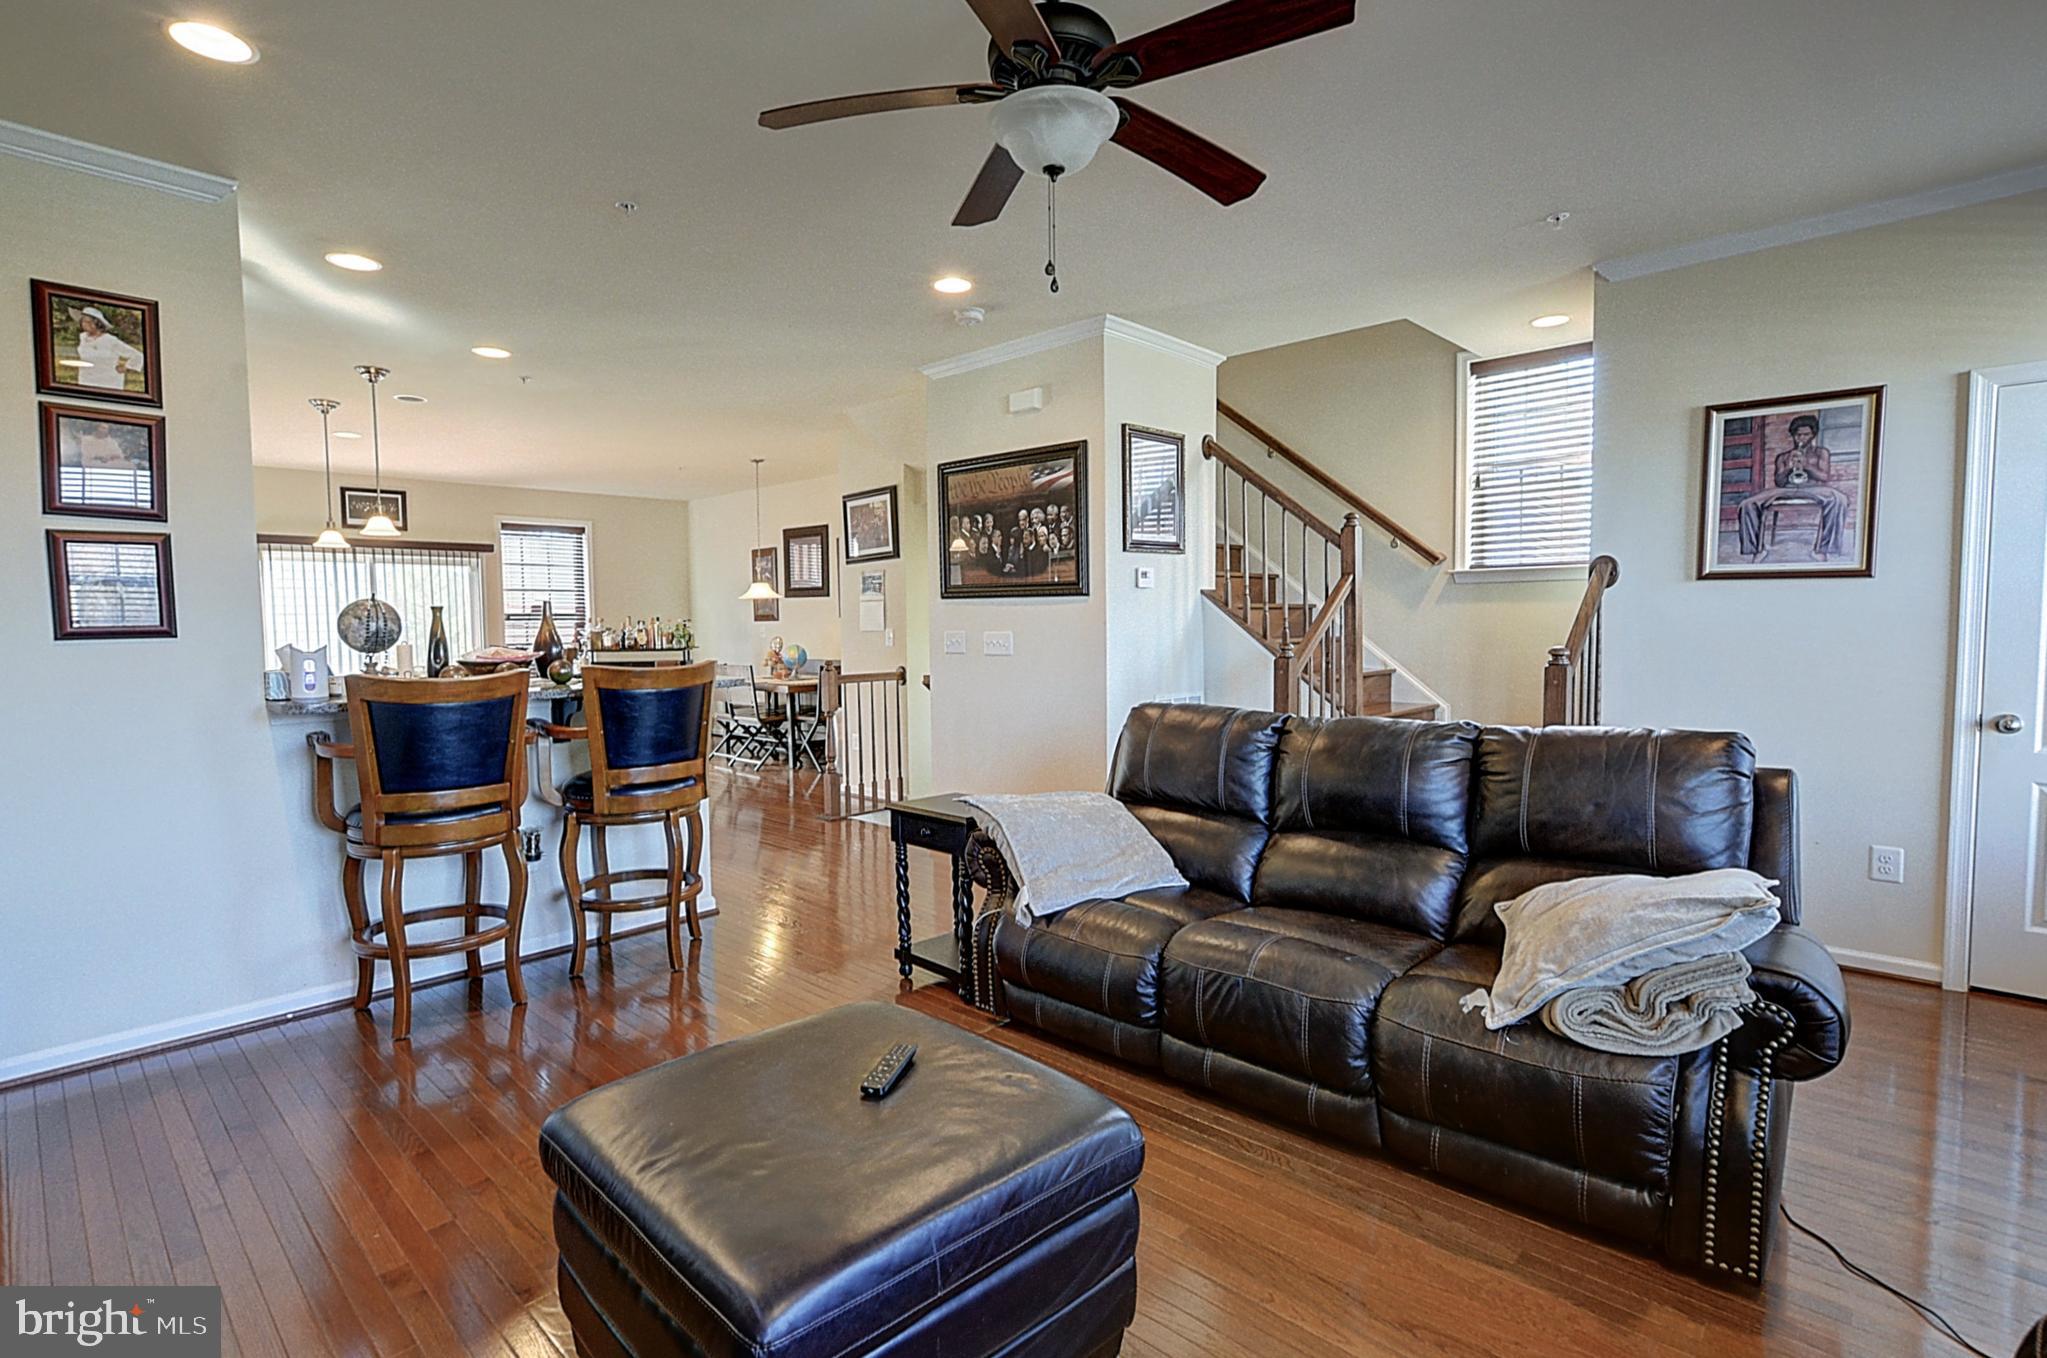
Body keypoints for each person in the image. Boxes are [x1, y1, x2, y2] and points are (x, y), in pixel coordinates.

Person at [1736, 415, 1850, 559]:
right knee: (1747, 504)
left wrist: (1806, 465)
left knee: (1840, 499)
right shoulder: (1783, 457)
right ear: (1793, 435)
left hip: (1813, 488)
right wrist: (1788, 468)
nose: (1801, 438)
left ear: (1813, 435)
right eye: (1798, 434)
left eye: (1806, 434)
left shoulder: (1821, 453)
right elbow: (1779, 482)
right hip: (1787, 488)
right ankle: (1755, 550)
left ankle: (1823, 549)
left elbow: (1824, 477)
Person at [68, 306, 144, 392]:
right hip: (86, 378)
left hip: (108, 381)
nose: (85, 324)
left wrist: (125, 367)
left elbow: (137, 355)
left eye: (88, 322)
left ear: (97, 323)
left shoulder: (109, 340)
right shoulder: (83, 337)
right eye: (83, 321)